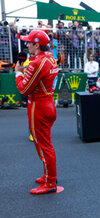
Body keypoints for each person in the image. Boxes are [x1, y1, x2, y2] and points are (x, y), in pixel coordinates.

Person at [15, 30, 59, 194]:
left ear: (37, 45)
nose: (26, 45)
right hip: (48, 103)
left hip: (39, 107)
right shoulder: (50, 58)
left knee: (44, 145)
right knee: (44, 144)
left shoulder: (36, 63)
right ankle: (48, 175)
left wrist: (19, 73)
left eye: (29, 43)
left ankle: (50, 182)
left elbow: (24, 90)